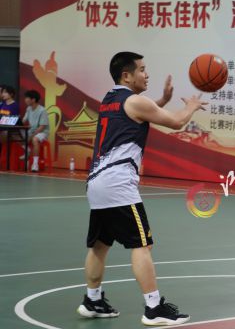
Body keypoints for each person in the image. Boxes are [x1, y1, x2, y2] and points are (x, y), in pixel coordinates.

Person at [77, 52, 207, 326]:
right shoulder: (135, 101)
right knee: (141, 245)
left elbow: (139, 113)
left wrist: (163, 101)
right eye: (142, 70)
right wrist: (192, 106)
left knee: (100, 245)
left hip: (97, 183)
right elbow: (176, 122)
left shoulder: (110, 99)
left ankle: (92, 300)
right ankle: (153, 308)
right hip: (118, 184)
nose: (146, 74)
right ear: (127, 75)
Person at [22, 89, 49, 172]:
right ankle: (28, 150)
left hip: (42, 132)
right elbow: (24, 120)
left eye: (27, 98)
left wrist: (31, 136)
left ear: (33, 99)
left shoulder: (42, 110)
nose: (25, 100)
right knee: (15, 134)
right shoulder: (28, 109)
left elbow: (42, 127)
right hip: (31, 131)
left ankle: (35, 164)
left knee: (35, 139)